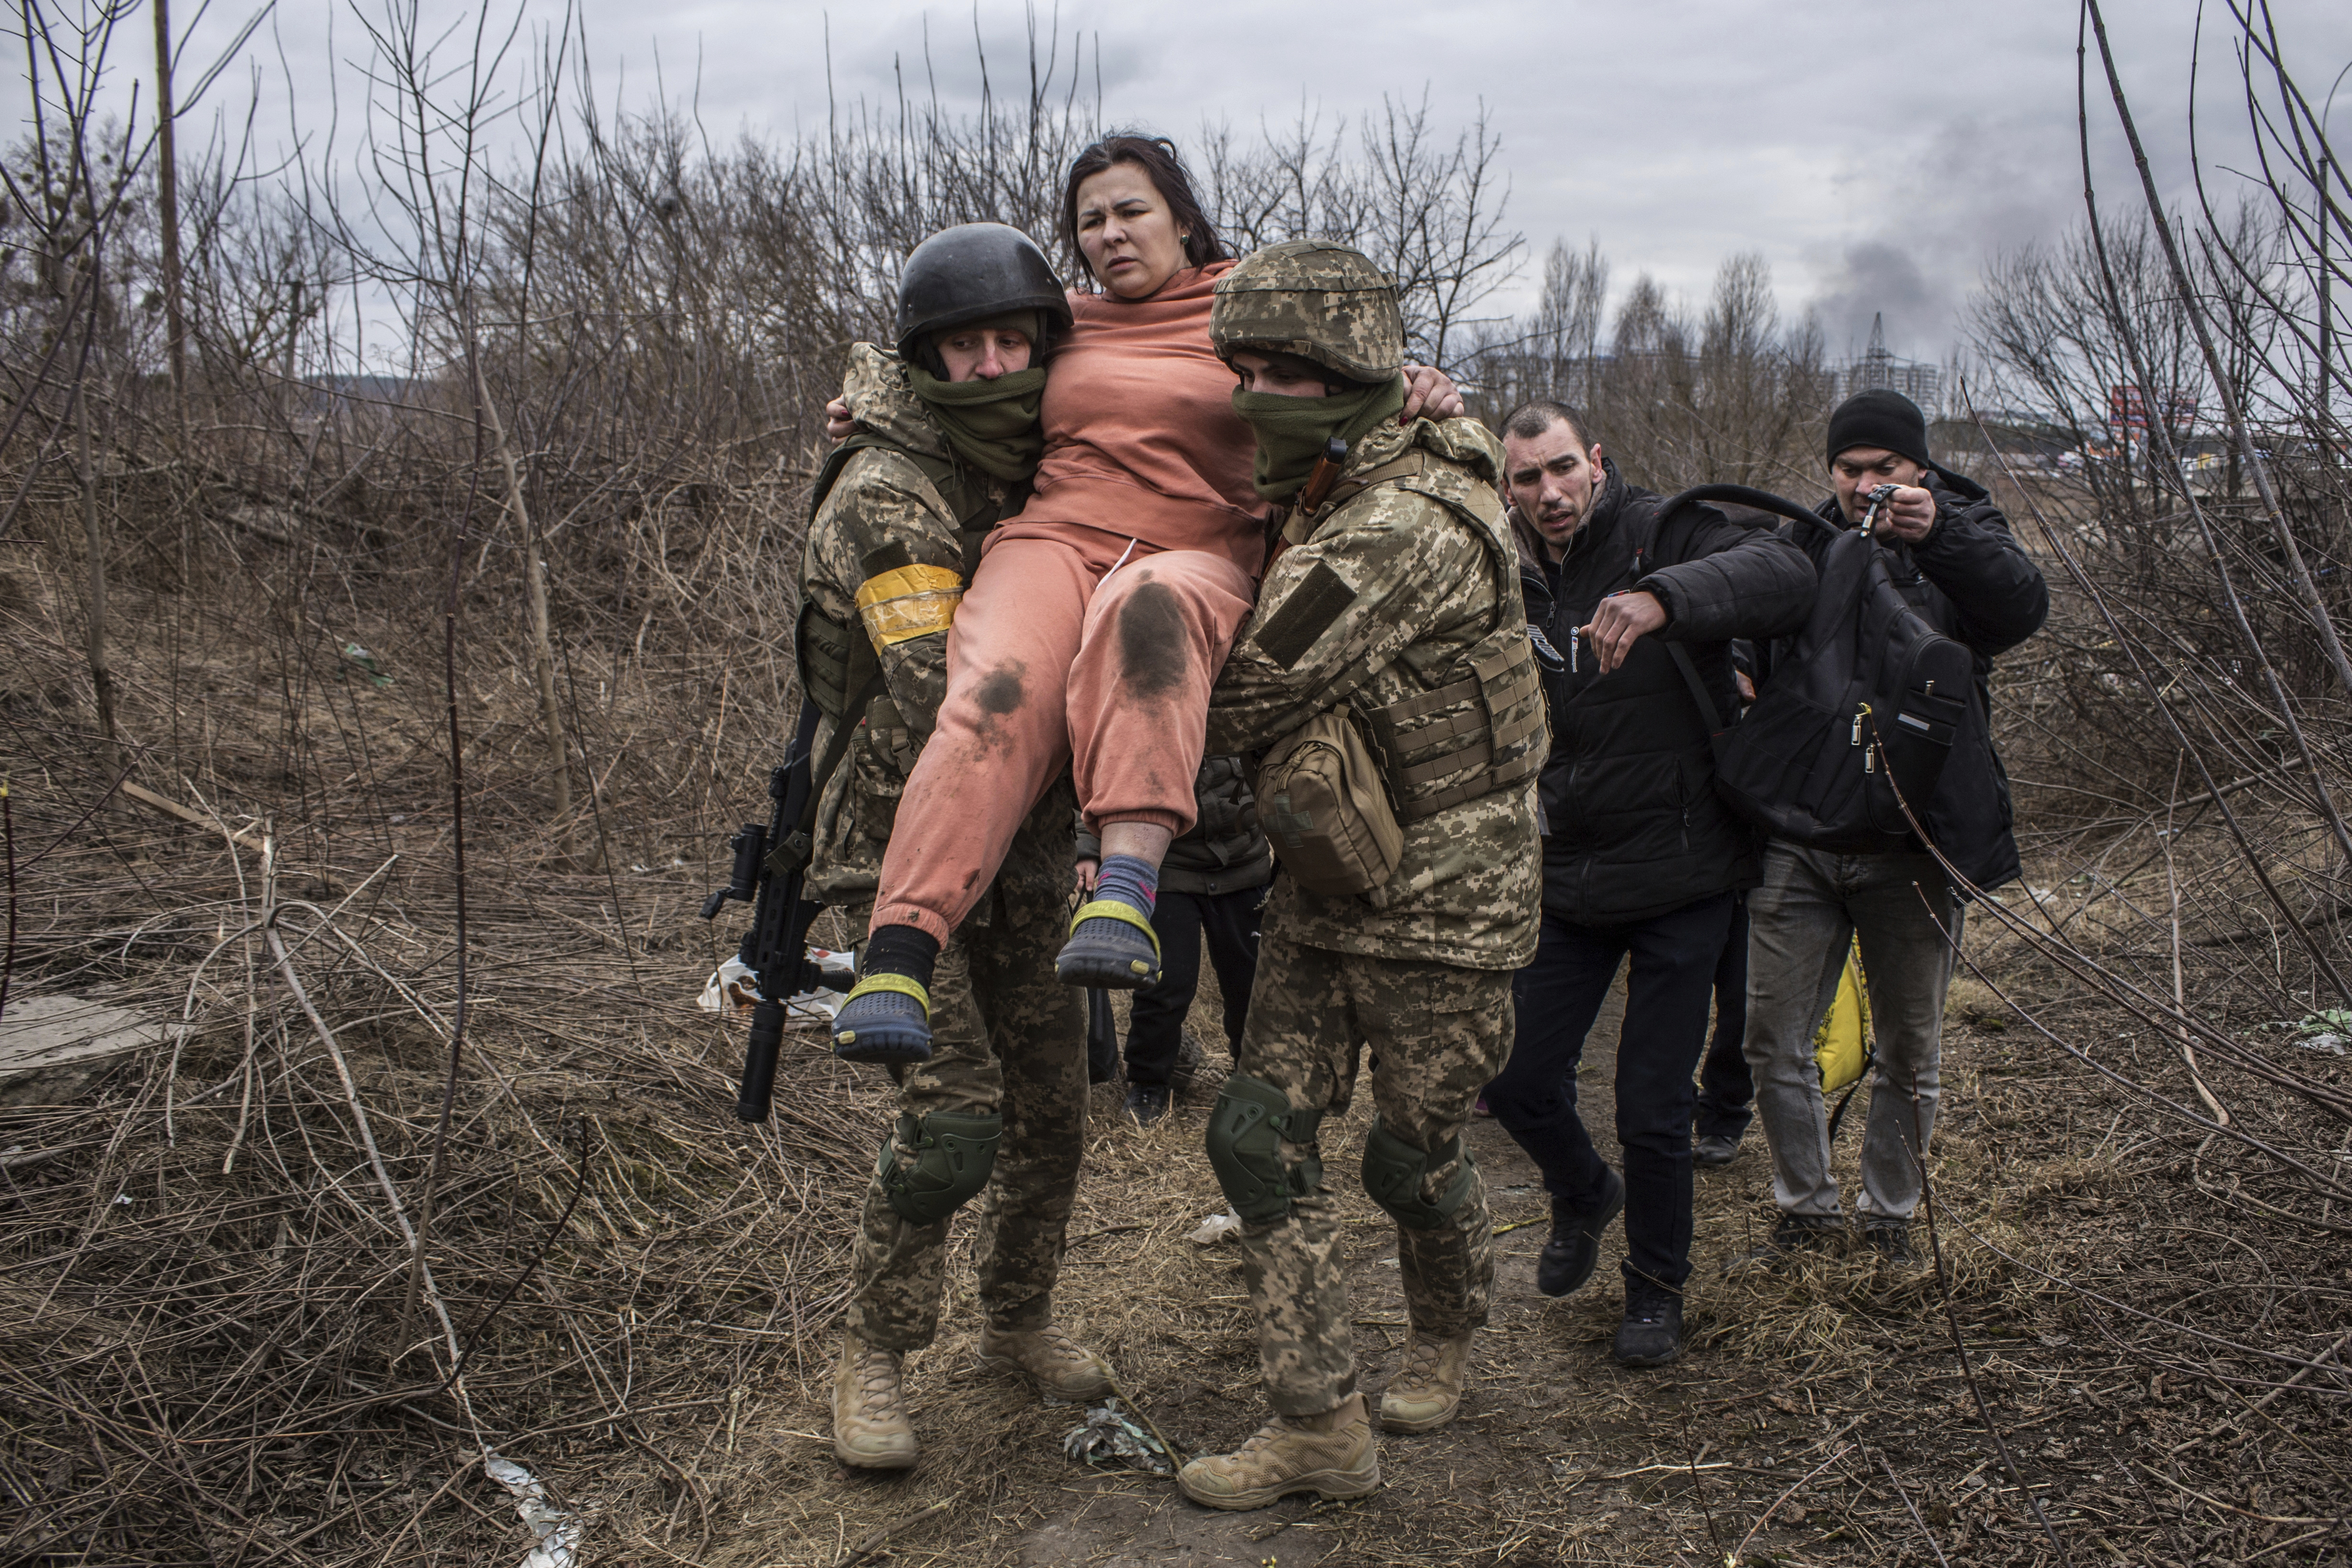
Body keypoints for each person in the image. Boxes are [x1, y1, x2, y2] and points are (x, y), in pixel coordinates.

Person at [825, 134, 1461, 1065]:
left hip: (1195, 551)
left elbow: (1343, 372)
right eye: (1090, 221)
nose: (1110, 234)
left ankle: (1124, 889)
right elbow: (957, 363)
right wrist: (874, 406)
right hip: (1049, 541)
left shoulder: (1247, 303)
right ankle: (899, 952)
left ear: (1180, 218)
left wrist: (1418, 384)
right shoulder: (1063, 320)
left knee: (1146, 611)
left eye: (1131, 210)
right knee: (993, 693)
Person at [1173, 240, 1544, 1512]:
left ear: (1347, 379)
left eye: (1281, 375)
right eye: (1242, 372)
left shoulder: (1397, 527)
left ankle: (1446, 1333)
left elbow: (1244, 691)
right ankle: (1320, 1423)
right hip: (1325, 888)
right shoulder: (1338, 481)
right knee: (1253, 1136)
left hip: (1446, 907)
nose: (1253, 399)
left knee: (1409, 1155)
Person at [801, 224, 1113, 1471]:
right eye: (962, 347)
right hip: (902, 853)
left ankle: (1016, 1317)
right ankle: (872, 1351)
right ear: (924, 358)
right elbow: (953, 696)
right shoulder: (887, 488)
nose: (990, 367)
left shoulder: (1051, 459)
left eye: (1010, 342)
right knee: (955, 1117)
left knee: (1055, 1103)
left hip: (1025, 842)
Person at [1478, 401, 1814, 1367]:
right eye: (1525, 478)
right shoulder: (1503, 569)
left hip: (1684, 871)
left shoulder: (1662, 529)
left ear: (1594, 460)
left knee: (1651, 1106)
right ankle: (1584, 1192)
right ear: (1505, 488)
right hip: (1567, 873)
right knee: (1513, 1079)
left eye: (1560, 469)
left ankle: (1654, 1291)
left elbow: (1784, 572)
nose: (1548, 493)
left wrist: (1664, 596)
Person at [1739, 389, 2047, 1266]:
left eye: (1884, 467)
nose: (1864, 483)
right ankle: (1805, 1213)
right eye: (1849, 468)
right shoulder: (1806, 539)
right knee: (1771, 1040)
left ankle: (1888, 1224)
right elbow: (1750, 620)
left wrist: (1935, 533)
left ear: (1919, 467)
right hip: (1803, 840)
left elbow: (2019, 609)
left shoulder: (1965, 533)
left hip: (1914, 844)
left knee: (1909, 1049)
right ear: (1829, 470)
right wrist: (1738, 670)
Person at [1076, 754, 1270, 1125]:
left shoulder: (1243, 716)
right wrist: (1087, 848)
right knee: (1165, 985)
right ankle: (1148, 1084)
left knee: (1252, 984)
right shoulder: (1141, 718)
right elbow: (1094, 776)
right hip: (1167, 870)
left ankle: (1254, 1078)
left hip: (1243, 868)